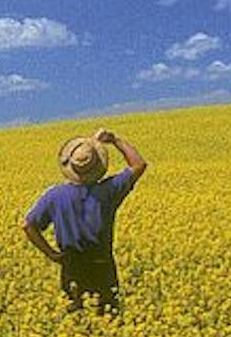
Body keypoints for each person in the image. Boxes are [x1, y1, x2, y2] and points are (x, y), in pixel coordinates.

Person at [21, 127, 147, 313]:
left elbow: (28, 225)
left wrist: (52, 254)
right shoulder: (108, 191)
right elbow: (138, 165)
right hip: (101, 265)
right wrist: (115, 140)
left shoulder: (54, 196)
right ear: (97, 166)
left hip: (71, 266)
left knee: (77, 319)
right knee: (108, 322)